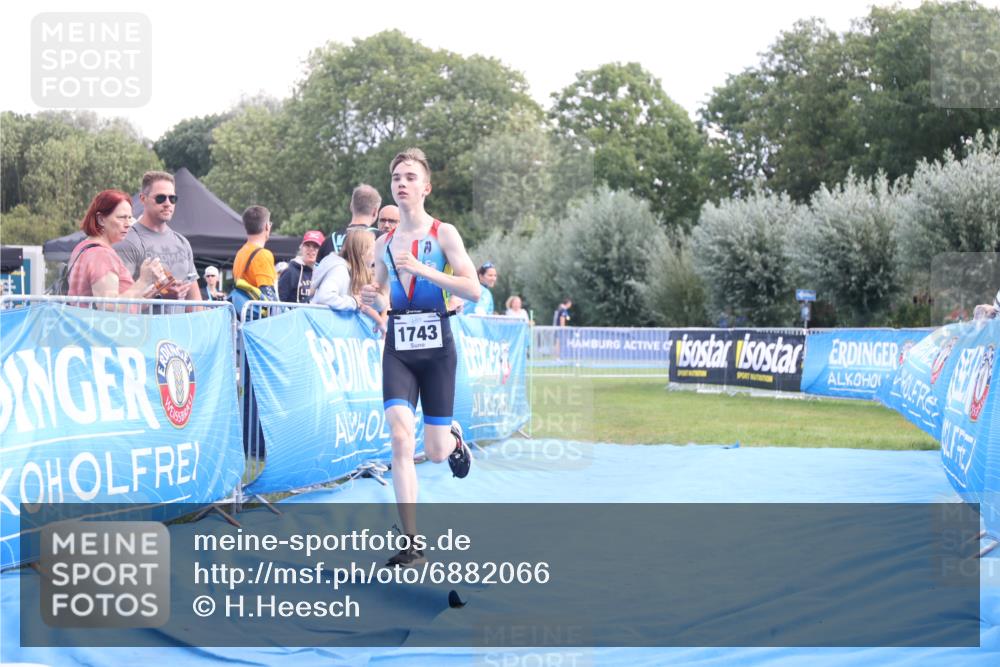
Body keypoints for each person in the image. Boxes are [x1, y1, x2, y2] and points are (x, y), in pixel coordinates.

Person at [360, 148, 480, 568]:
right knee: (398, 437)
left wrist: (427, 272)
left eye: (410, 176)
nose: (402, 183)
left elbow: (474, 290)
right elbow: (380, 289)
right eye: (396, 177)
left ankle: (454, 440)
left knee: (433, 451)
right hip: (399, 347)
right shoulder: (384, 242)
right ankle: (411, 543)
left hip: (436, 349)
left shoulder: (444, 234)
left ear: (425, 187)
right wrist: (372, 298)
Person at [114, 171, 199, 301]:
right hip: (142, 321)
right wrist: (161, 295)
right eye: (160, 198)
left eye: (172, 198)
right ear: (143, 199)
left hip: (178, 321)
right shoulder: (127, 241)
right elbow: (118, 303)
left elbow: (194, 302)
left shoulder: (182, 242)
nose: (167, 203)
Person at [68, 189, 165, 302]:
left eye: (129, 218)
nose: (128, 224)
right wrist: (143, 281)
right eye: (122, 218)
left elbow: (125, 303)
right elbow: (109, 306)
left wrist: (153, 288)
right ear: (101, 219)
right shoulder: (101, 254)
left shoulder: (84, 247)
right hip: (102, 320)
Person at [317, 184, 381, 262]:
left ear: (351, 206)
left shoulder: (329, 241)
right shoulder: (381, 238)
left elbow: (316, 273)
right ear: (375, 211)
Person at [232, 205, 278, 300]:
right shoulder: (263, 255)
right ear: (266, 226)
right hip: (260, 314)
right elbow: (270, 299)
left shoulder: (240, 253)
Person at [279, 230, 323, 303]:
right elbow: (280, 302)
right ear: (301, 247)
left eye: (316, 246)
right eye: (308, 245)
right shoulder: (290, 272)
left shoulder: (323, 273)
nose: (311, 249)